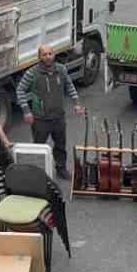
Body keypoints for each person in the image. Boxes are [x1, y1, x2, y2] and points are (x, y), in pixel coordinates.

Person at [16, 44, 85, 180]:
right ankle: (38, 173)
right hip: (40, 119)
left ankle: (61, 169)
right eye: (44, 54)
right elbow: (20, 90)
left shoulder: (61, 69)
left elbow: (70, 85)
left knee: (60, 146)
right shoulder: (32, 73)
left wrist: (76, 103)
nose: (48, 57)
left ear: (54, 55)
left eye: (50, 54)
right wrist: (26, 111)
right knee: (39, 148)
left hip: (58, 117)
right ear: (39, 57)